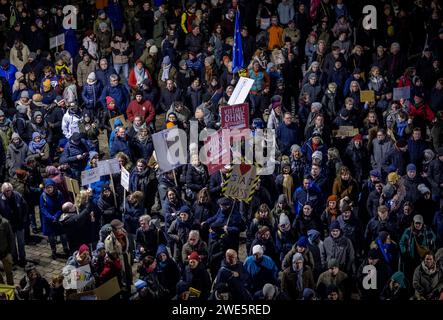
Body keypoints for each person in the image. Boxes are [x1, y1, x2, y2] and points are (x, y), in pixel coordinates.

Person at [39, 179, 69, 259]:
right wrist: (51, 217)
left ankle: (65, 248)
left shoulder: (59, 194)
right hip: (48, 220)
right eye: (47, 187)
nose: (49, 189)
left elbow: (61, 207)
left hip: (58, 218)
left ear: (53, 187)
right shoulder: (43, 196)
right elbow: (42, 209)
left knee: (63, 234)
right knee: (51, 237)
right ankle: (53, 251)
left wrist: (56, 216)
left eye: (50, 187)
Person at [0, 182, 28, 267]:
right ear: (3, 191)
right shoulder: (0, 199)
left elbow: (25, 207)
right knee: (12, 244)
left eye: (9, 190)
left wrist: (24, 220)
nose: (8, 192)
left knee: (21, 243)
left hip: (19, 224)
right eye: (6, 191)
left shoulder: (17, 196)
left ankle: (22, 259)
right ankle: (15, 258)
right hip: (9, 226)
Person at [0, 214, 14, 285]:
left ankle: (11, 291)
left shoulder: (4, 222)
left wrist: (9, 253)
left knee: (9, 273)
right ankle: (3, 290)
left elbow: (11, 238)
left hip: (5, 253)